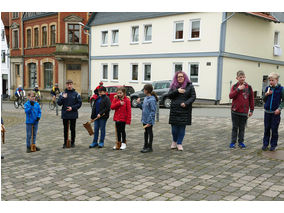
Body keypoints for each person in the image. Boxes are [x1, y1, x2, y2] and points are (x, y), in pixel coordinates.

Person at [168, 71, 196, 151]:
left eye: (182, 76)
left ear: (185, 77)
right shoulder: (173, 86)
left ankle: (179, 143)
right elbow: (169, 95)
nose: (180, 78)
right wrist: (177, 91)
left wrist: (186, 103)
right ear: (176, 78)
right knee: (174, 129)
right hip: (174, 110)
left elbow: (193, 97)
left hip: (184, 110)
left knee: (181, 128)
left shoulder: (189, 86)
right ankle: (174, 141)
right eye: (178, 77)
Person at [229, 70, 254, 149]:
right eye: (240, 77)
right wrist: (238, 89)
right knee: (235, 127)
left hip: (244, 111)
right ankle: (233, 142)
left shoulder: (249, 87)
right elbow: (230, 96)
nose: (242, 79)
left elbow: (251, 99)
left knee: (242, 128)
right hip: (235, 111)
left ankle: (241, 142)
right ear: (237, 78)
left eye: (243, 77)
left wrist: (251, 110)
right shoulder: (235, 86)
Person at [262, 72, 284, 151]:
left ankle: (273, 145)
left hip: (275, 113)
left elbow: (283, 101)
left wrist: (279, 108)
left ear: (277, 80)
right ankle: (265, 144)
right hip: (267, 112)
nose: (271, 82)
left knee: (274, 129)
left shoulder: (281, 89)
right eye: (270, 80)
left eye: (272, 80)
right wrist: (267, 94)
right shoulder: (268, 88)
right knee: (266, 129)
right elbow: (263, 99)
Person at [57, 80, 82, 149]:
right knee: (65, 129)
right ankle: (65, 142)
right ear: (66, 85)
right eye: (68, 84)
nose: (69, 86)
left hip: (73, 114)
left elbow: (79, 104)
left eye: (70, 84)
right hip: (65, 114)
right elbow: (59, 103)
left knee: (72, 128)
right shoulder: (63, 93)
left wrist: (72, 108)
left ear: (72, 85)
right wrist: (62, 98)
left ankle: (73, 142)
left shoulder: (76, 94)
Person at [136, 84, 158, 153]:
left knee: (149, 132)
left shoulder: (152, 100)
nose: (143, 91)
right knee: (146, 132)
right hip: (144, 119)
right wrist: (139, 103)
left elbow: (153, 111)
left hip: (149, 120)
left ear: (147, 91)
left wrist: (150, 121)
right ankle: (145, 145)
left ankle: (150, 147)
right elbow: (143, 108)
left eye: (144, 90)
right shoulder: (146, 98)